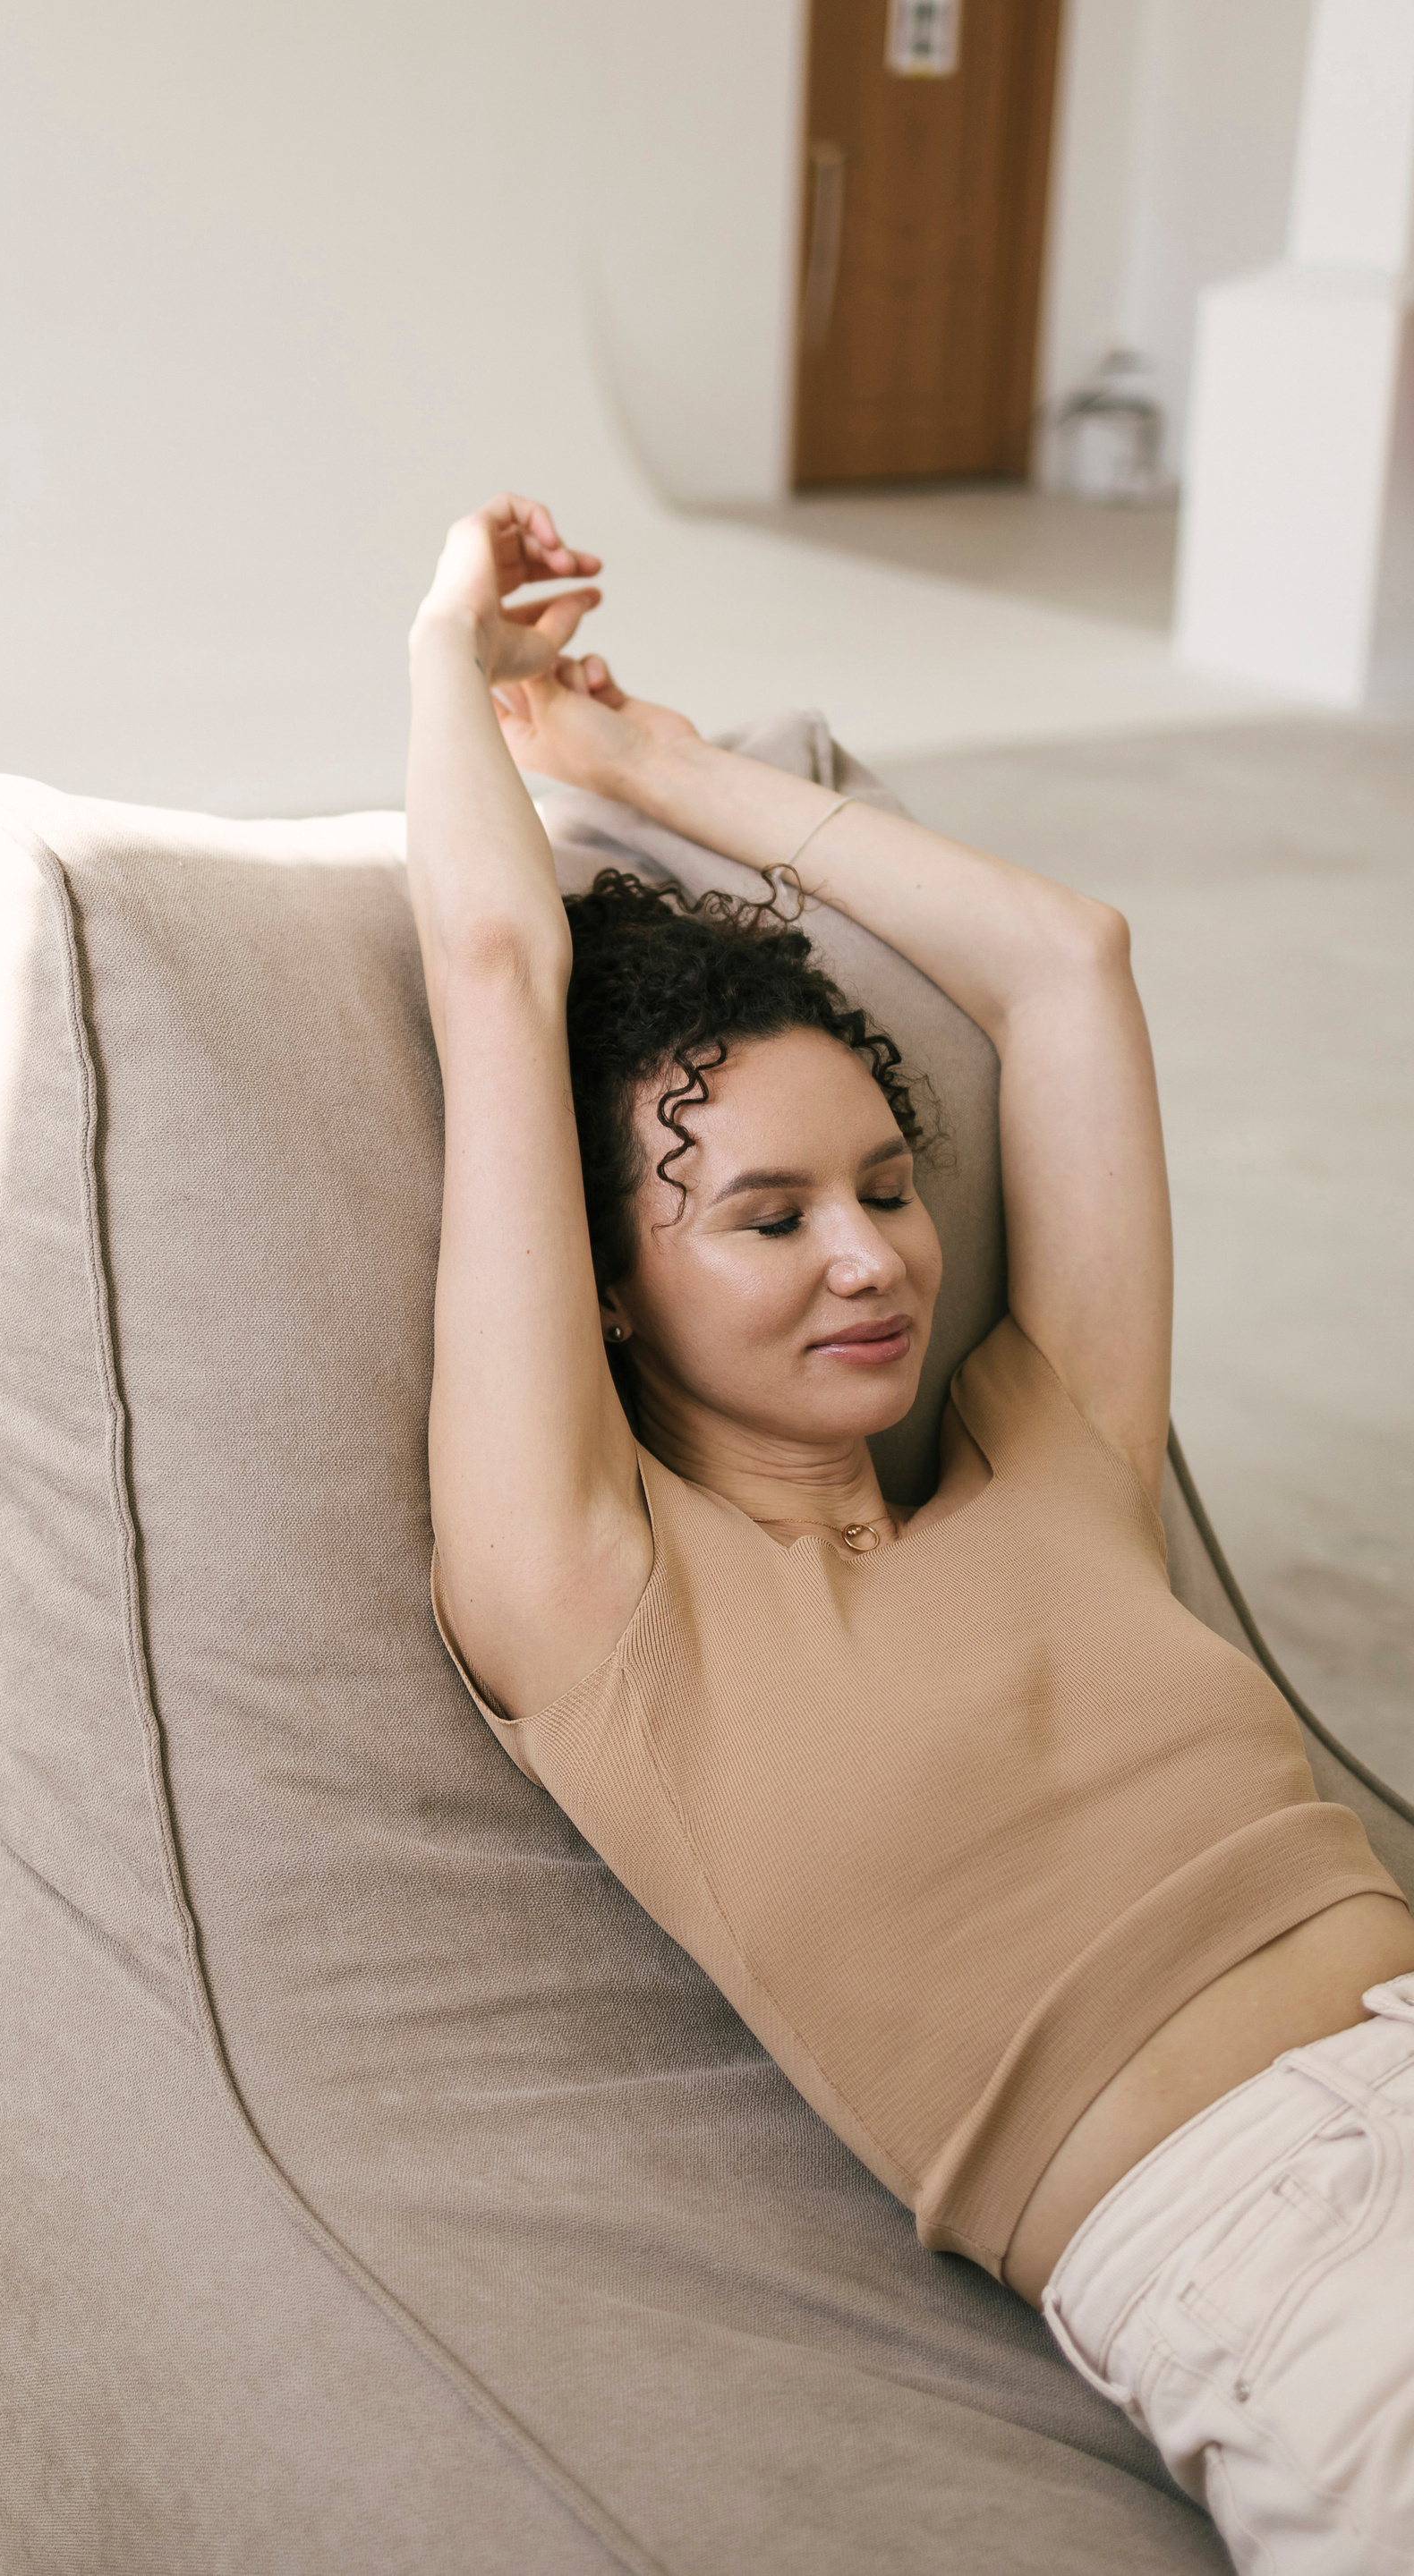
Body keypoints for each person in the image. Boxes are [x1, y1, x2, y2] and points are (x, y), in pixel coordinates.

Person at [405, 492, 1414, 2570]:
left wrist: (652, 764)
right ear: (607, 1287)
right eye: (767, 1219)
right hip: (1274, 2268)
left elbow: (1067, 964)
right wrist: (449, 660)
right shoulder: (599, 1605)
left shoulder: (1056, 1454)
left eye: (885, 1187)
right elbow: (495, 979)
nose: (872, 1260)